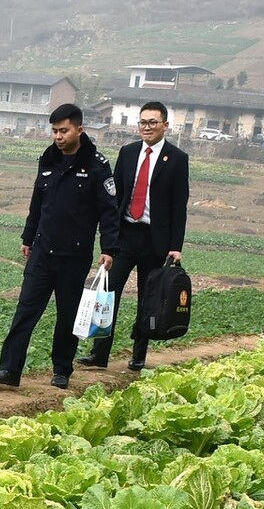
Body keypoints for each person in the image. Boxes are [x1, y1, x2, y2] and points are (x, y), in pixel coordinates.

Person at [0, 103, 120, 389]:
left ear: (79, 130)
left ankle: (62, 369)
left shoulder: (97, 165)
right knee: (26, 310)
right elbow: (37, 203)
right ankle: (10, 369)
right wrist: (28, 238)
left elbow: (109, 211)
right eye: (55, 131)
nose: (58, 136)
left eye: (64, 131)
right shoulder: (48, 159)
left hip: (74, 255)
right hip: (42, 251)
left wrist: (108, 249)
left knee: (67, 315)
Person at [77, 101, 188, 371]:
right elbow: (113, 198)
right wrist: (109, 238)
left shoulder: (176, 159)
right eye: (143, 122)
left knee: (147, 298)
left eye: (153, 122)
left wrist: (175, 246)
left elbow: (179, 206)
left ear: (165, 125)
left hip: (155, 239)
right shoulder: (127, 153)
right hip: (125, 235)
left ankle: (139, 355)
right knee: (109, 293)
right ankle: (99, 353)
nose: (147, 127)